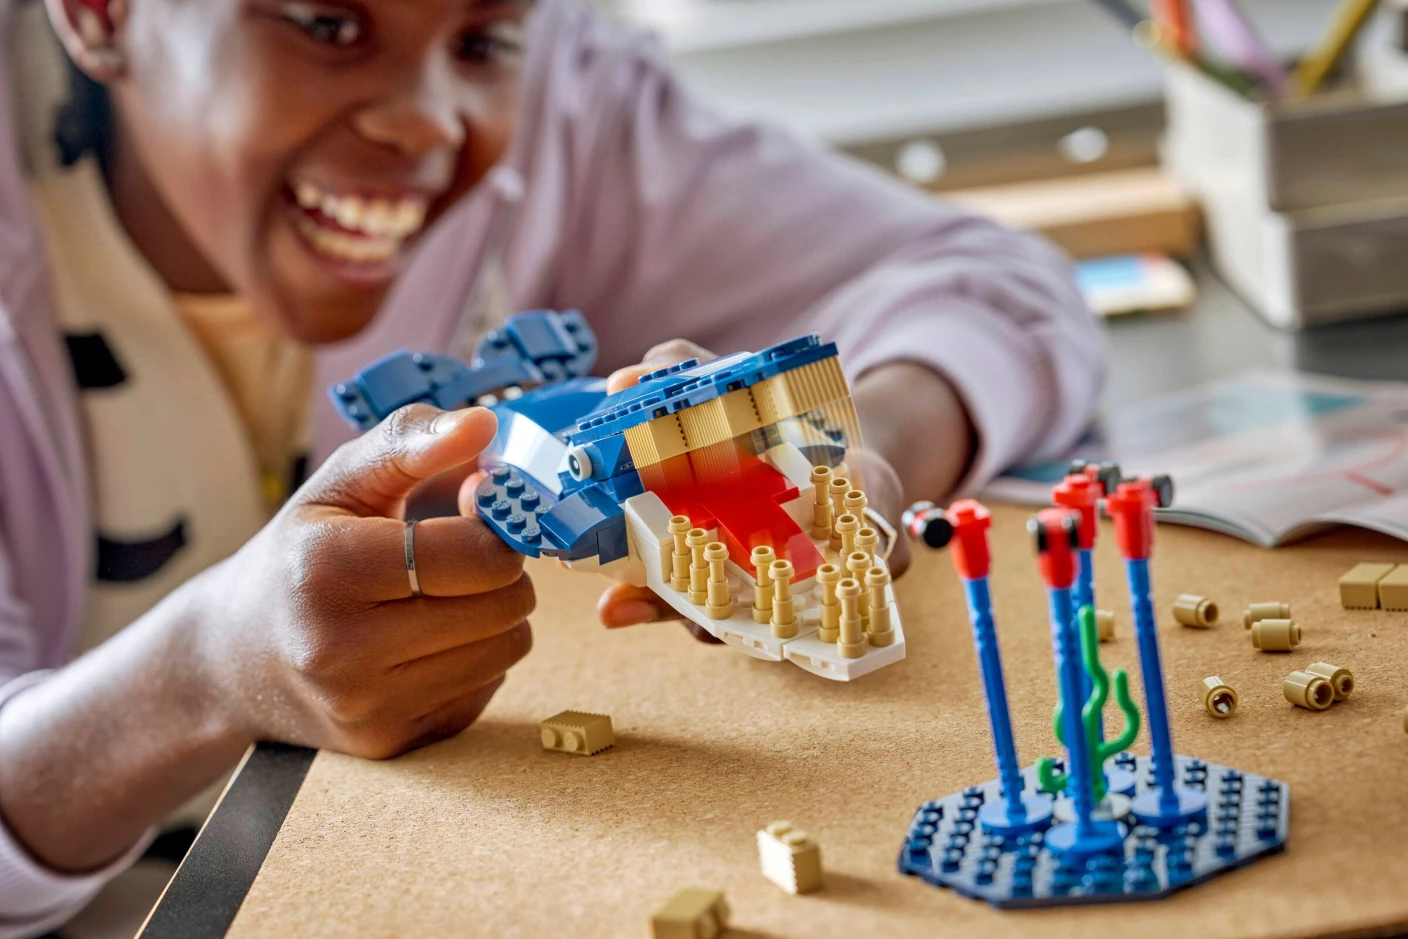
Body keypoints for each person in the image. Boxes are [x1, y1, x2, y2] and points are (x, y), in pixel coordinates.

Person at [0, 0, 1101, 933]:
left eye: (482, 42)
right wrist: (201, 673)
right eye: (330, 24)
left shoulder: (577, 100)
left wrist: (860, 458)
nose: (428, 119)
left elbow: (990, 281)